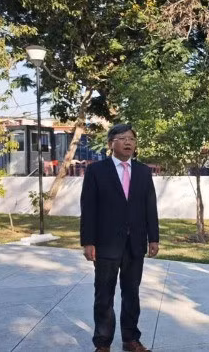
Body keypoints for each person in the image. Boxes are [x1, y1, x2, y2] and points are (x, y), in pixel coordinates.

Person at [80, 124, 159, 352]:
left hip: (135, 244)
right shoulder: (97, 171)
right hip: (106, 244)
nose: (128, 142)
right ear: (110, 143)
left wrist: (153, 237)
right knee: (104, 295)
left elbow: (150, 207)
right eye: (122, 138)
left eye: (132, 139)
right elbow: (89, 208)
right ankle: (103, 343)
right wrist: (88, 241)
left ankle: (130, 339)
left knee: (131, 294)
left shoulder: (143, 171)